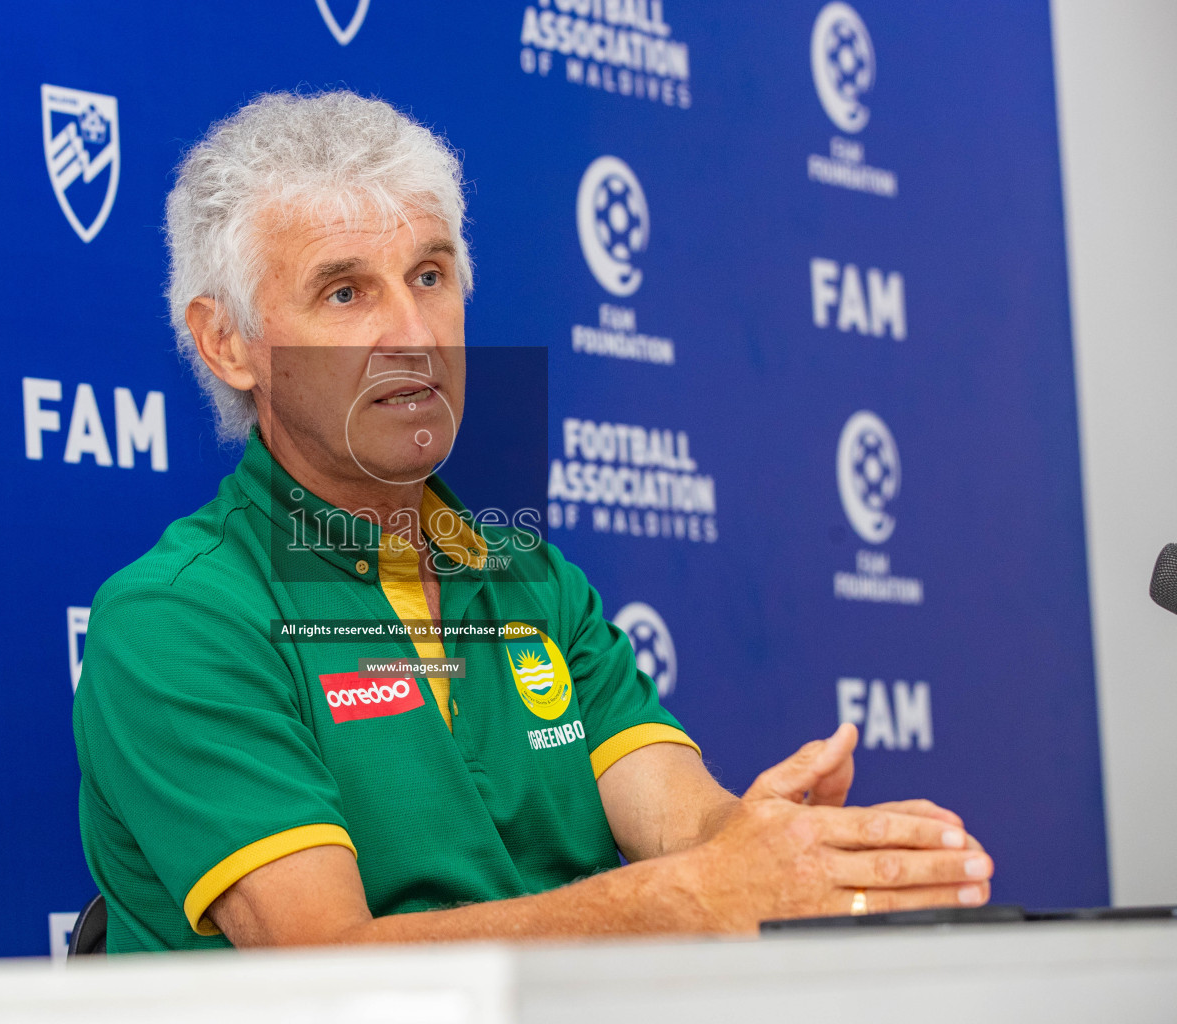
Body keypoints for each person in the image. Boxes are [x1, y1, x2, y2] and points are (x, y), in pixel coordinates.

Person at [72, 90, 992, 953]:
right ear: (228, 342)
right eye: (345, 293)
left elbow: (680, 819)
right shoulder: (176, 619)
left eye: (429, 275)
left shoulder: (530, 576)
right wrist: (690, 898)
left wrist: (764, 843)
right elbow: (329, 967)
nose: (414, 332)